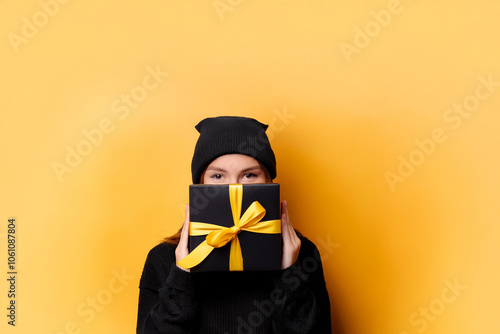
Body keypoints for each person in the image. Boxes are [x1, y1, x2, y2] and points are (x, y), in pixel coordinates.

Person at [137, 116, 331, 333]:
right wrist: (181, 275)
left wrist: (288, 275)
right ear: (200, 184)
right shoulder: (163, 258)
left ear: (268, 182)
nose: (234, 188)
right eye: (218, 176)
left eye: (249, 175)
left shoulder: (302, 253)